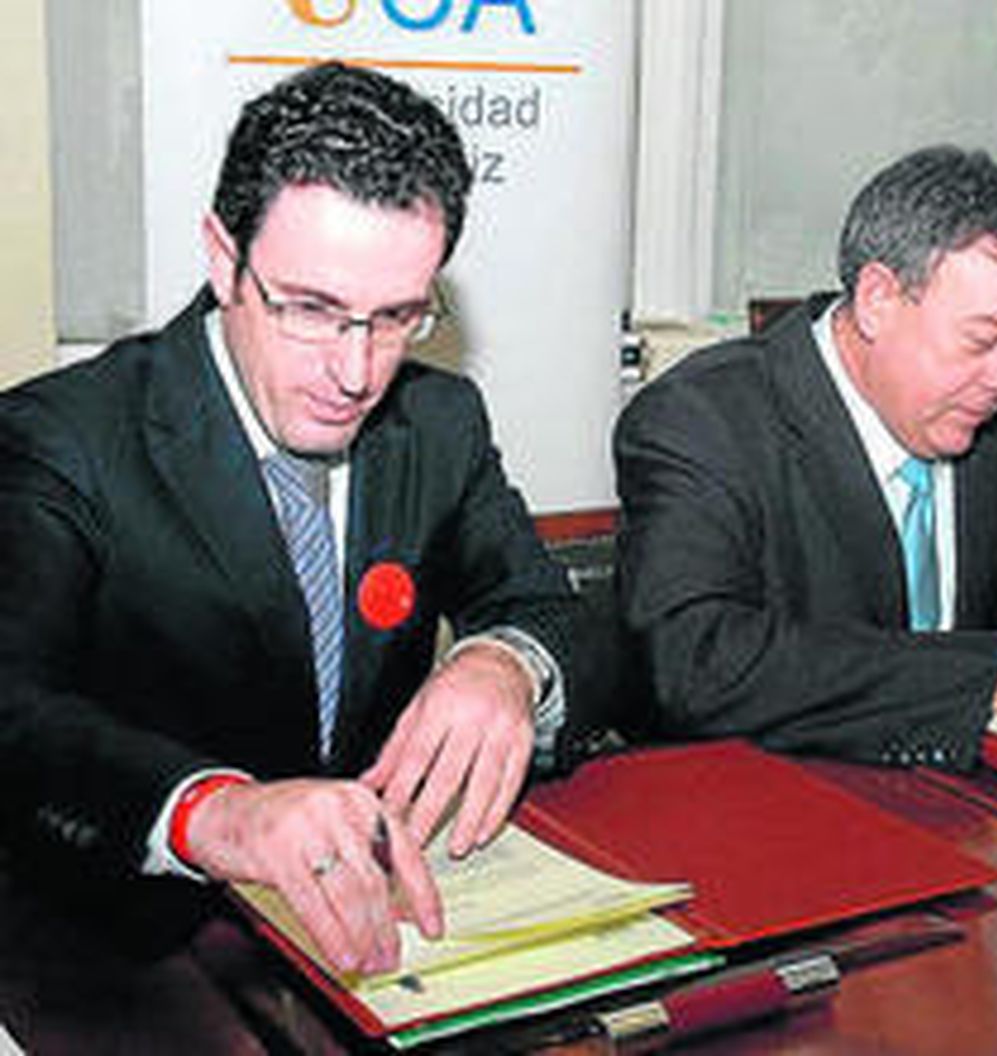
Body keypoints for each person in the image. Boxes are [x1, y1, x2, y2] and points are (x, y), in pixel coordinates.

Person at [0, 63, 579, 975]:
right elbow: (15, 712)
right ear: (223, 259)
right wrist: (213, 811)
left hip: (381, 937)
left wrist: (504, 664)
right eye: (311, 310)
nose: (355, 372)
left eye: (396, 317)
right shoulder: (65, 438)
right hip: (134, 954)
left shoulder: (440, 422)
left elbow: (559, 614)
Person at [614, 146, 997, 770]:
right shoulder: (703, 418)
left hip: (960, 795)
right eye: (983, 339)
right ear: (879, 299)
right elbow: (698, 667)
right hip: (773, 806)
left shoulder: (984, 425)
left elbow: (984, 596)